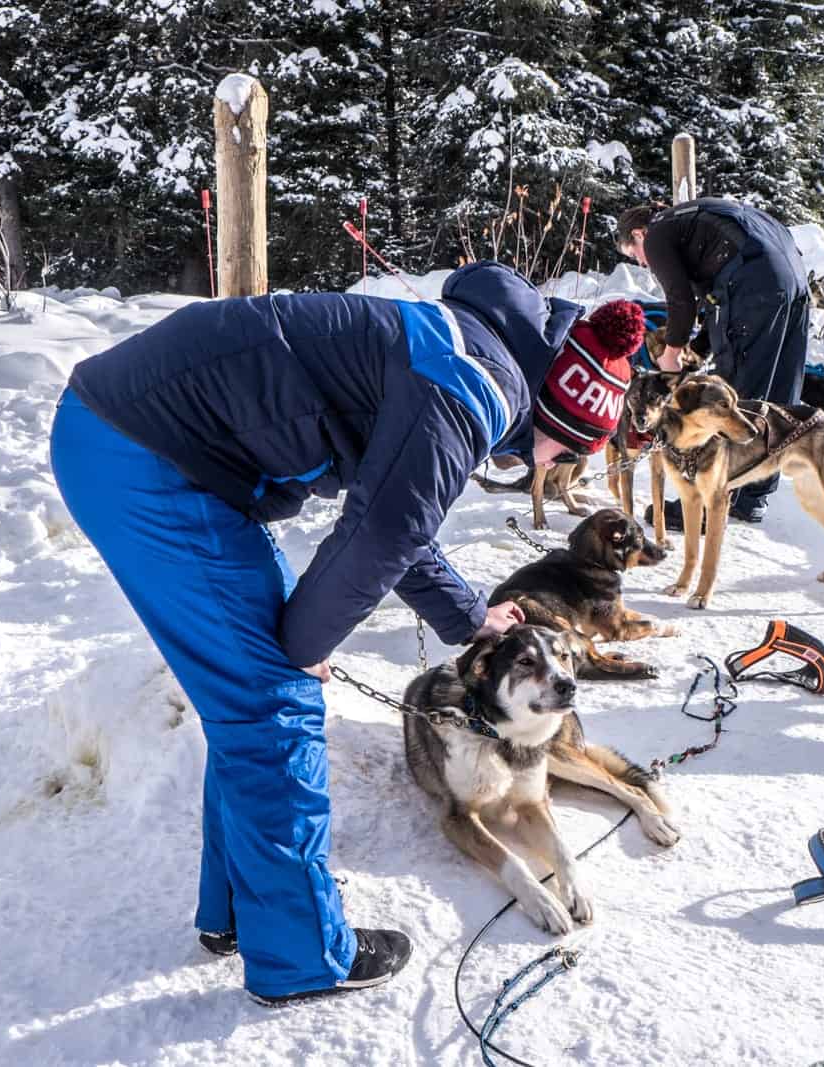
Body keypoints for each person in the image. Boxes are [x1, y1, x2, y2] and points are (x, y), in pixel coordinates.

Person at [48, 262, 644, 1005]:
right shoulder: (473, 388)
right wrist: (302, 647)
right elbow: (382, 532)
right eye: (567, 448)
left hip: (137, 440)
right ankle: (301, 954)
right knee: (272, 697)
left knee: (258, 691)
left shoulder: (472, 353)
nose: (554, 465)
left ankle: (241, 907)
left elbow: (396, 511)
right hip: (147, 457)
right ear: (559, 408)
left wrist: (468, 616)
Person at [616, 198, 810, 523]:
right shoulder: (704, 215)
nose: (643, 263)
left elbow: (680, 299)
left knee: (733, 394)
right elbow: (710, 291)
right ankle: (753, 494)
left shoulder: (657, 233)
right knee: (777, 391)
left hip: (752, 286)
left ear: (638, 234)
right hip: (792, 284)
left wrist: (671, 352)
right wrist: (702, 345)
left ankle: (714, 498)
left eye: (634, 255)